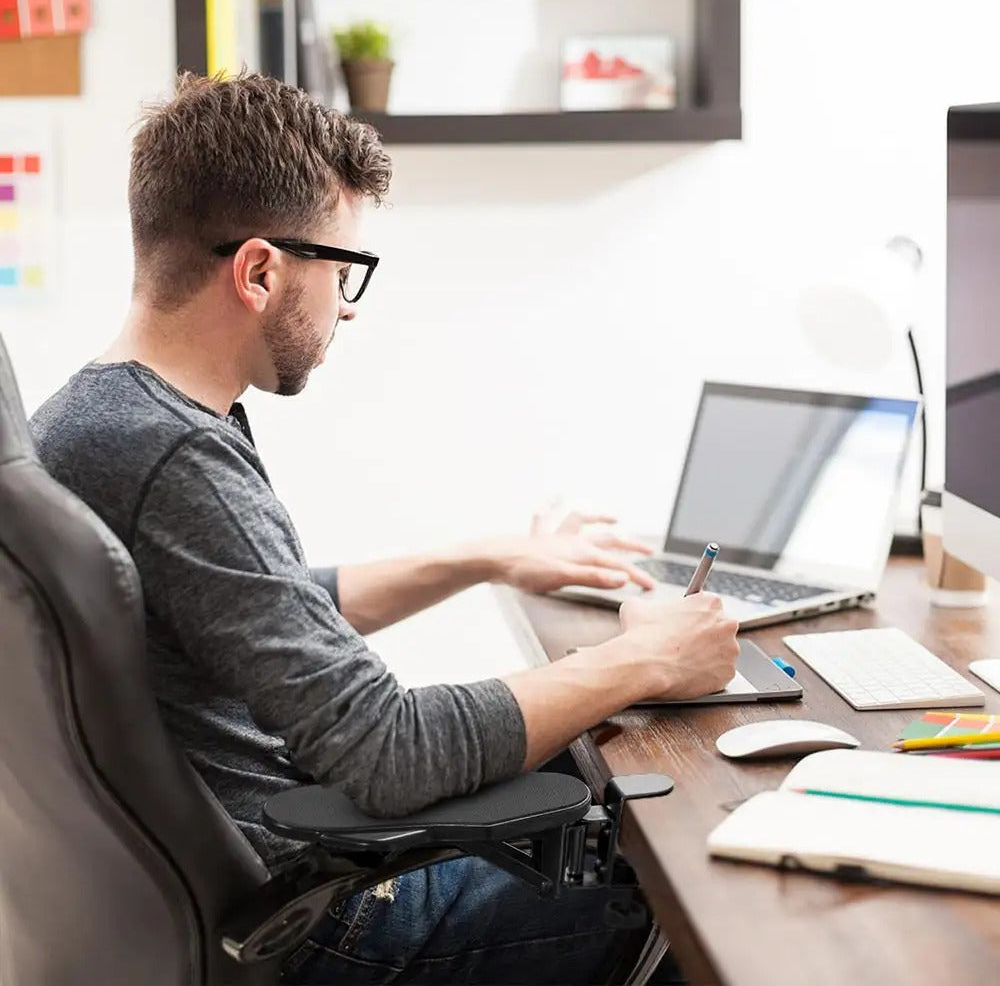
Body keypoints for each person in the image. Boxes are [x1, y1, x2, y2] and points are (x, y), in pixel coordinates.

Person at [29, 73, 739, 985]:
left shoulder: (99, 416)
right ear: (258, 271)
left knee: (593, 774)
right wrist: (647, 658)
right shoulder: (172, 458)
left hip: (268, 873)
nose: (348, 305)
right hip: (321, 920)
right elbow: (386, 751)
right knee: (687, 873)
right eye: (341, 270)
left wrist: (487, 557)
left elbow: (261, 610)